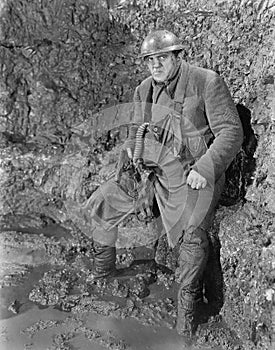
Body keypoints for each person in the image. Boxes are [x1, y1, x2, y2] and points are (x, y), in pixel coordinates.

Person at [78, 29, 244, 336]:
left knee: (192, 237)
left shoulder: (206, 82)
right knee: (103, 199)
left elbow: (231, 133)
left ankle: (186, 320)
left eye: (162, 58)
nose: (156, 65)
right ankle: (104, 275)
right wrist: (131, 153)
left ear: (177, 57)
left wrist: (205, 168)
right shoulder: (144, 90)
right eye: (150, 60)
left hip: (195, 176)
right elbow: (134, 132)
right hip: (154, 173)